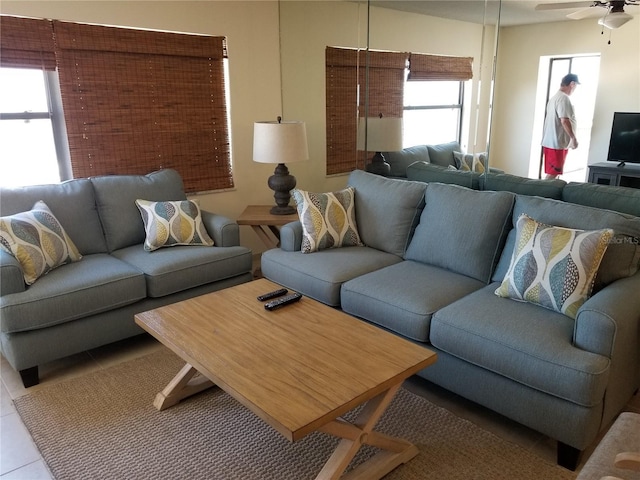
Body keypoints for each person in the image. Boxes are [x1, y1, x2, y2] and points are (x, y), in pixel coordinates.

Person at [541, 73, 580, 179]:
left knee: (554, 173)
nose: (575, 89)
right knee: (553, 173)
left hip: (552, 142)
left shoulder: (554, 98)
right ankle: (541, 193)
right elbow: (564, 120)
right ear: (572, 84)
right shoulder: (563, 99)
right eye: (575, 86)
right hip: (557, 143)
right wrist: (573, 138)